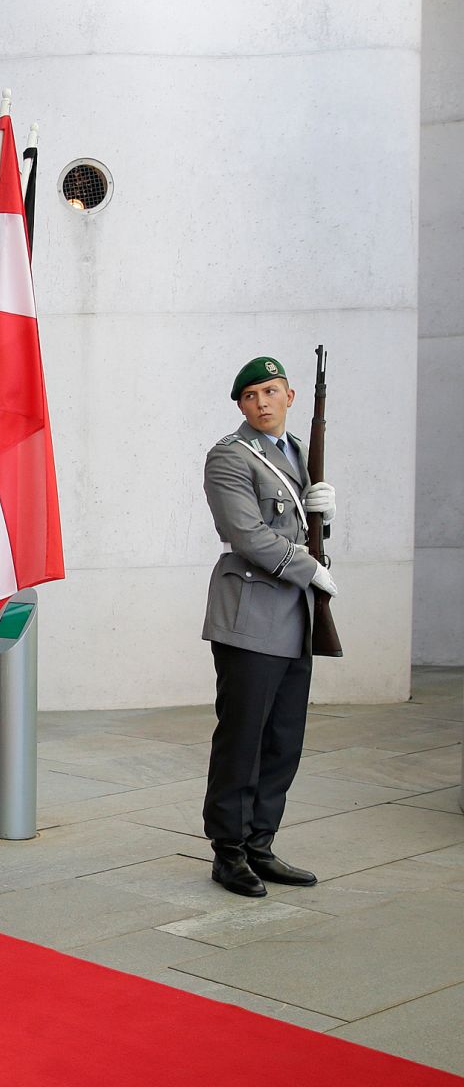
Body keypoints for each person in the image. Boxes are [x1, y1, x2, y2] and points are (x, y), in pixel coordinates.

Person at [201, 356, 334, 897]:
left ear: (291, 396)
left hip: (295, 616)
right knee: (243, 739)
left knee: (283, 740)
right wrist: (312, 569)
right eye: (251, 394)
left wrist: (326, 512)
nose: (262, 402)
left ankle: (261, 845)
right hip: (251, 616)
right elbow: (249, 534)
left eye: (271, 391)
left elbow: (302, 527)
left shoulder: (296, 452)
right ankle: (228, 853)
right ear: (240, 404)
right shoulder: (229, 457)